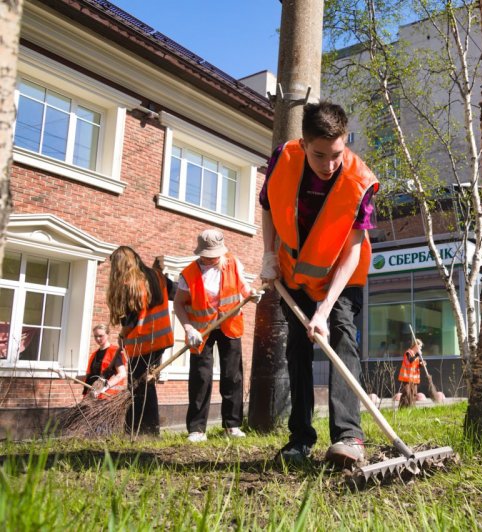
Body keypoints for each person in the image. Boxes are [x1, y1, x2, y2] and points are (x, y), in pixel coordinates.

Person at [259, 101, 379, 467]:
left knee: (341, 335)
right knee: (297, 346)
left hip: (341, 277)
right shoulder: (285, 157)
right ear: (304, 143)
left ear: (346, 141)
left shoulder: (360, 181)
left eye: (337, 154)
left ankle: (348, 437)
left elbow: (353, 253)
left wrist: (325, 310)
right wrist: (267, 254)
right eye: (319, 155)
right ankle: (299, 438)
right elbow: (267, 203)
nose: (329, 165)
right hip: (294, 273)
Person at [174, 229, 261, 443]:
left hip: (229, 325)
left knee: (232, 375)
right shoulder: (189, 274)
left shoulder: (232, 263)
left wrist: (252, 295)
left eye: (214, 255)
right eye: (207, 255)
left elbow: (243, 288)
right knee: (201, 377)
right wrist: (188, 329)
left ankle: (232, 425)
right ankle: (196, 429)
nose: (210, 258)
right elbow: (178, 304)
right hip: (200, 331)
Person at [107, 246, 174, 436]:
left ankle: (142, 431)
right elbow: (176, 292)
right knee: (147, 384)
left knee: (138, 386)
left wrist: (121, 335)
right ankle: (145, 431)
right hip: (160, 340)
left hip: (141, 343)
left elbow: (130, 320)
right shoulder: (156, 277)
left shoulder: (129, 284)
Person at [83, 324, 127, 400]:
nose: (98, 339)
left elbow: (122, 374)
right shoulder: (94, 355)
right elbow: (89, 377)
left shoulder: (114, 352)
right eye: (95, 336)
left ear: (107, 335)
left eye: (100, 336)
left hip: (107, 397)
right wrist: (66, 375)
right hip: (92, 397)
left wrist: (105, 386)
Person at [398, 339, 424, 408]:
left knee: (414, 394)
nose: (421, 348)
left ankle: (411, 407)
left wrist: (421, 364)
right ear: (416, 345)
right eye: (420, 346)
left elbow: (415, 365)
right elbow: (410, 361)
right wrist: (417, 355)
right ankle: (402, 407)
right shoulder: (408, 353)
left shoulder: (416, 355)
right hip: (406, 377)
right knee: (406, 393)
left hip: (414, 379)